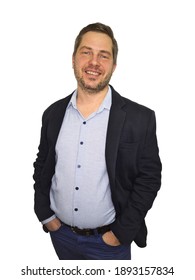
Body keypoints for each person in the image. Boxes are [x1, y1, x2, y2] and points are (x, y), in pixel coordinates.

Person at [33, 22, 162, 260]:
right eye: (86, 52)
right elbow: (42, 165)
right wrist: (44, 213)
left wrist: (120, 233)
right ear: (73, 59)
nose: (94, 62)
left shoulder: (139, 118)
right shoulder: (52, 113)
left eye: (103, 55)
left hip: (110, 244)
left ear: (114, 65)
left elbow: (149, 179)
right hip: (60, 236)